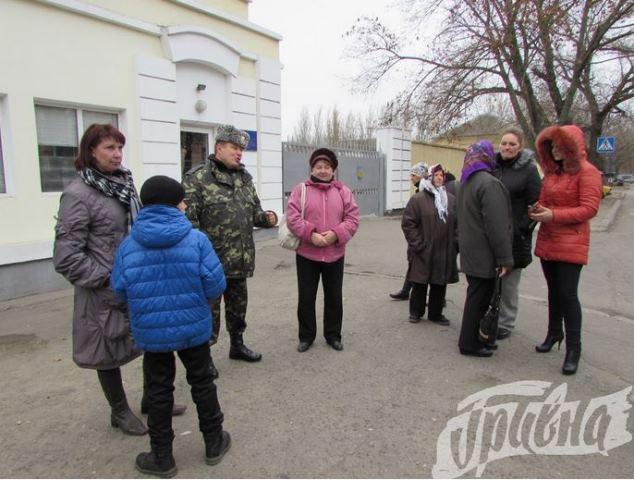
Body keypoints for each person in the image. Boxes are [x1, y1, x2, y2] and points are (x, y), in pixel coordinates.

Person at [112, 176, 230, 477]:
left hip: (152, 333)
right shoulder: (197, 239)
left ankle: (162, 456)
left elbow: (120, 288)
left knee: (158, 389)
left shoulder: (129, 245)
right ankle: (214, 442)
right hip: (193, 328)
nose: (186, 204)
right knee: (202, 381)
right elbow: (215, 284)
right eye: (182, 199)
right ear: (175, 204)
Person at [53, 124, 158, 437]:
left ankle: (151, 398)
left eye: (119, 148)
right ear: (90, 152)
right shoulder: (77, 195)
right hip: (102, 288)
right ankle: (119, 411)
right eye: (109, 148)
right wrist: (106, 279)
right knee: (106, 351)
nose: (117, 154)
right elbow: (66, 256)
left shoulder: (124, 184)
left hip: (135, 280)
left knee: (151, 340)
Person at [182, 125, 277, 369]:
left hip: (240, 259)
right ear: (219, 147)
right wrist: (197, 260)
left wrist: (265, 218)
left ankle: (237, 345)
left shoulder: (244, 178)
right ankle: (205, 359)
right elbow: (189, 225)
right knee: (208, 315)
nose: (239, 153)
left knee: (238, 308)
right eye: (234, 148)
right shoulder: (198, 179)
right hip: (210, 263)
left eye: (241, 149)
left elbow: (254, 211)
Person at [530, 125, 602, 375]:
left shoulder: (588, 172)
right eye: (552, 146)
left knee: (568, 294)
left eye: (560, 146)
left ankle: (574, 349)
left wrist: (553, 215)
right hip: (549, 238)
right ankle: (553, 334)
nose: (555, 150)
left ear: (572, 147)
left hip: (571, 240)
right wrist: (538, 209)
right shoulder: (552, 173)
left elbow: (589, 209)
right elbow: (545, 200)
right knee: (553, 291)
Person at [285, 148, 360, 352]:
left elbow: (352, 219)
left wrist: (336, 234)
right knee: (306, 298)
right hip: (307, 254)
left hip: (335, 254)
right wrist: (311, 234)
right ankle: (306, 336)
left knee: (334, 297)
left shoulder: (343, 191)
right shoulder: (301, 190)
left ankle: (333, 335)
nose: (323, 170)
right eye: (319, 167)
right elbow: (292, 217)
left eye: (327, 167)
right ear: (312, 168)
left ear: (333, 170)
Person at [456, 140, 513, 357]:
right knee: (479, 299)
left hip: (471, 251)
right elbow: (497, 226)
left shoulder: (466, 182)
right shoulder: (489, 184)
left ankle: (481, 338)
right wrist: (505, 259)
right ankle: (469, 343)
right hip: (485, 254)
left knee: (478, 297)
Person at [493, 128, 542, 340]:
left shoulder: (529, 171)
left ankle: (506, 322)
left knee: (509, 284)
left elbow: (536, 205)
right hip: (492, 233)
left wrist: (522, 229)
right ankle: (491, 315)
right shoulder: (492, 166)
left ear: (520, 147)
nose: (507, 147)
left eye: (512, 144)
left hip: (515, 237)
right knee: (490, 279)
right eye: (504, 143)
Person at [401, 163, 458, 325]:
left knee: (439, 283)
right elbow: (408, 223)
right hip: (423, 249)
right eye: (436, 175)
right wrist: (418, 244)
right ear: (429, 178)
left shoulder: (451, 199)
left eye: (442, 175)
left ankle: (436, 313)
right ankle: (416, 312)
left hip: (444, 249)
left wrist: (455, 244)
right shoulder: (418, 199)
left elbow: (458, 223)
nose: (439, 178)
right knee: (420, 282)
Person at [389, 162, 429, 300]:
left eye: (413, 175)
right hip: (419, 235)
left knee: (420, 265)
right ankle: (406, 291)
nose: (411, 178)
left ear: (420, 176)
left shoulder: (426, 191)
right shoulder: (421, 190)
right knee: (414, 263)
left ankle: (436, 299)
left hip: (423, 236)